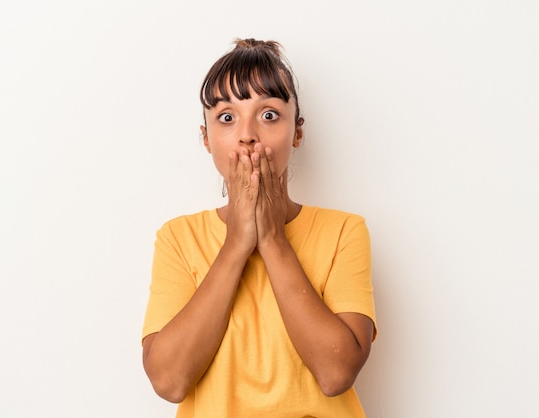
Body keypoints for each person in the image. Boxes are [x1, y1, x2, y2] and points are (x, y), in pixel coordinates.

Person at [141, 38, 377, 417]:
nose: (247, 134)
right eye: (227, 117)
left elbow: (336, 374)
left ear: (297, 133)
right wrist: (237, 242)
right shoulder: (178, 239)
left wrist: (271, 239)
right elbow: (169, 381)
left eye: (268, 115)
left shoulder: (344, 232)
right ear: (206, 139)